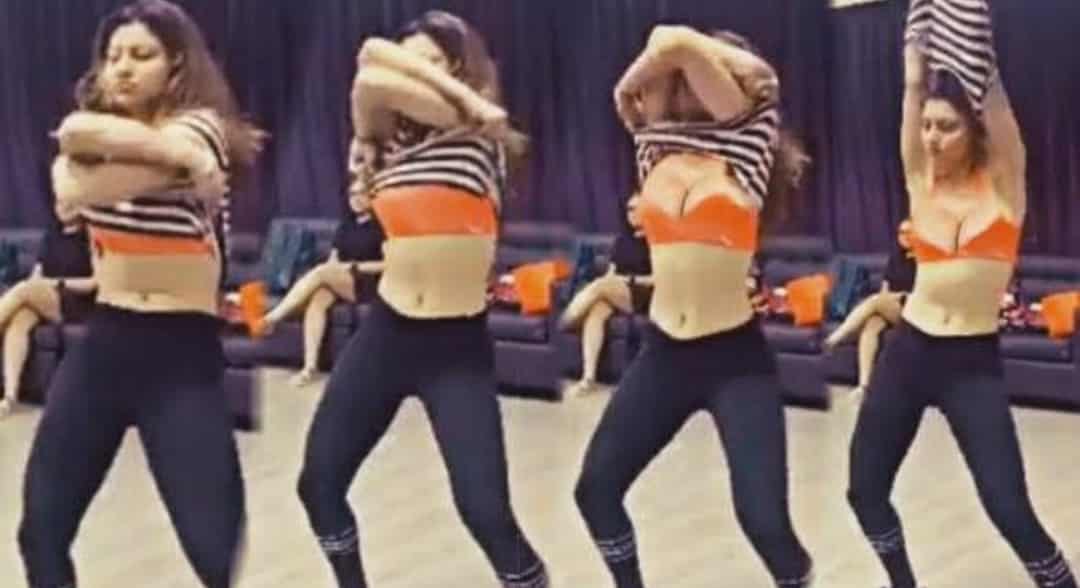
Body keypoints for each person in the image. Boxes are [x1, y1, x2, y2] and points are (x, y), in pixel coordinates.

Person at [295, 11, 549, 588]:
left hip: (455, 344)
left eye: (433, 63)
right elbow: (369, 71)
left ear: (461, 70)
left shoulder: (479, 135)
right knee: (319, 485)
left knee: (486, 513)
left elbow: (384, 73)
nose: (414, 76)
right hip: (388, 332)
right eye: (409, 64)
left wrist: (463, 98)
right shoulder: (383, 143)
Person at [17, 1, 264, 586]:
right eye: (113, 57)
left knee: (213, 550)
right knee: (40, 533)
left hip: (180, 355)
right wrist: (178, 160)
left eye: (141, 55)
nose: (122, 68)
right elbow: (72, 153)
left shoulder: (202, 128)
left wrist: (174, 151)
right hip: (105, 343)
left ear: (176, 65)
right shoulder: (145, 143)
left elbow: (82, 177)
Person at [572, 25, 814, 588]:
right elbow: (667, 50)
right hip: (663, 354)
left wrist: (630, 82)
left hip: (734, 358)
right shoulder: (653, 144)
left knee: (763, 521)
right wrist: (639, 83)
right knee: (596, 491)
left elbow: (673, 42)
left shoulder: (751, 143)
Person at [846, 1, 1076, 587]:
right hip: (909, 351)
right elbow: (911, 91)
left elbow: (995, 107)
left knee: (1008, 506)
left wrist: (975, 50)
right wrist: (915, 51)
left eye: (946, 127)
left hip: (970, 362)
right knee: (864, 490)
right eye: (927, 126)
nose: (932, 138)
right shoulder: (919, 183)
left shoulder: (1005, 189)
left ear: (972, 131)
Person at [254, 138, 384, 387]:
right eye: (352, 195)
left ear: (372, 197)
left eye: (361, 194)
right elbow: (335, 258)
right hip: (343, 279)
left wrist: (355, 268)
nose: (355, 199)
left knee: (321, 273)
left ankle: (273, 317)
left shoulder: (381, 225)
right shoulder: (346, 225)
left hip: (369, 282)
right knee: (317, 301)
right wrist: (337, 269)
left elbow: (390, 264)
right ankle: (309, 367)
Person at [0, 215, 94, 418]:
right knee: (19, 320)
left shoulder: (92, 236)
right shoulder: (52, 237)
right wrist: (40, 284)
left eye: (68, 202)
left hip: (77, 303)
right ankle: (10, 397)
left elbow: (96, 282)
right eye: (60, 202)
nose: (63, 206)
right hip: (45, 296)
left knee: (23, 289)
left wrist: (57, 283)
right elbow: (37, 273)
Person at [558, 208, 652, 398]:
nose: (631, 214)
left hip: (644, 293)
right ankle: (588, 379)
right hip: (617, 290)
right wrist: (614, 281)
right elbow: (611, 272)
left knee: (600, 286)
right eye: (629, 210)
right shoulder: (623, 241)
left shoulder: (655, 241)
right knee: (596, 311)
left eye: (636, 209)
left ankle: (562, 322)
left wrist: (630, 280)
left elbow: (659, 279)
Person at [824, 219, 916, 399]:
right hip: (891, 306)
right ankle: (864, 386)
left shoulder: (922, 259)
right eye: (901, 233)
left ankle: (836, 338)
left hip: (911, 308)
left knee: (874, 301)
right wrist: (887, 299)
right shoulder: (895, 258)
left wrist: (896, 297)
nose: (904, 236)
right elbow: (885, 288)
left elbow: (922, 293)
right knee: (870, 327)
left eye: (909, 232)